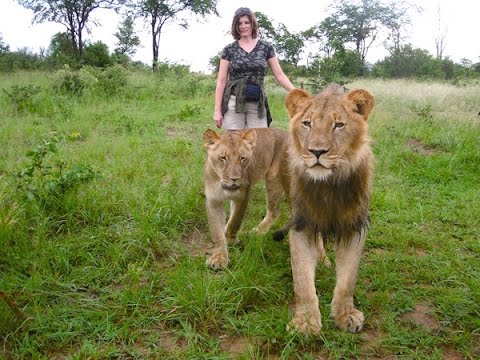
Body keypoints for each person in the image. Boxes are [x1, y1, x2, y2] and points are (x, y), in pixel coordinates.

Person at [213, 7, 295, 130]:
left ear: (252, 24)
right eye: (239, 23)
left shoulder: (265, 47)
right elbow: (221, 81)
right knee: (234, 142)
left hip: (257, 102)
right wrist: (217, 111)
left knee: (259, 142)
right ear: (235, 26)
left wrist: (296, 92)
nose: (243, 26)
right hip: (234, 100)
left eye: (246, 22)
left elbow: (279, 75)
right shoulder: (229, 49)